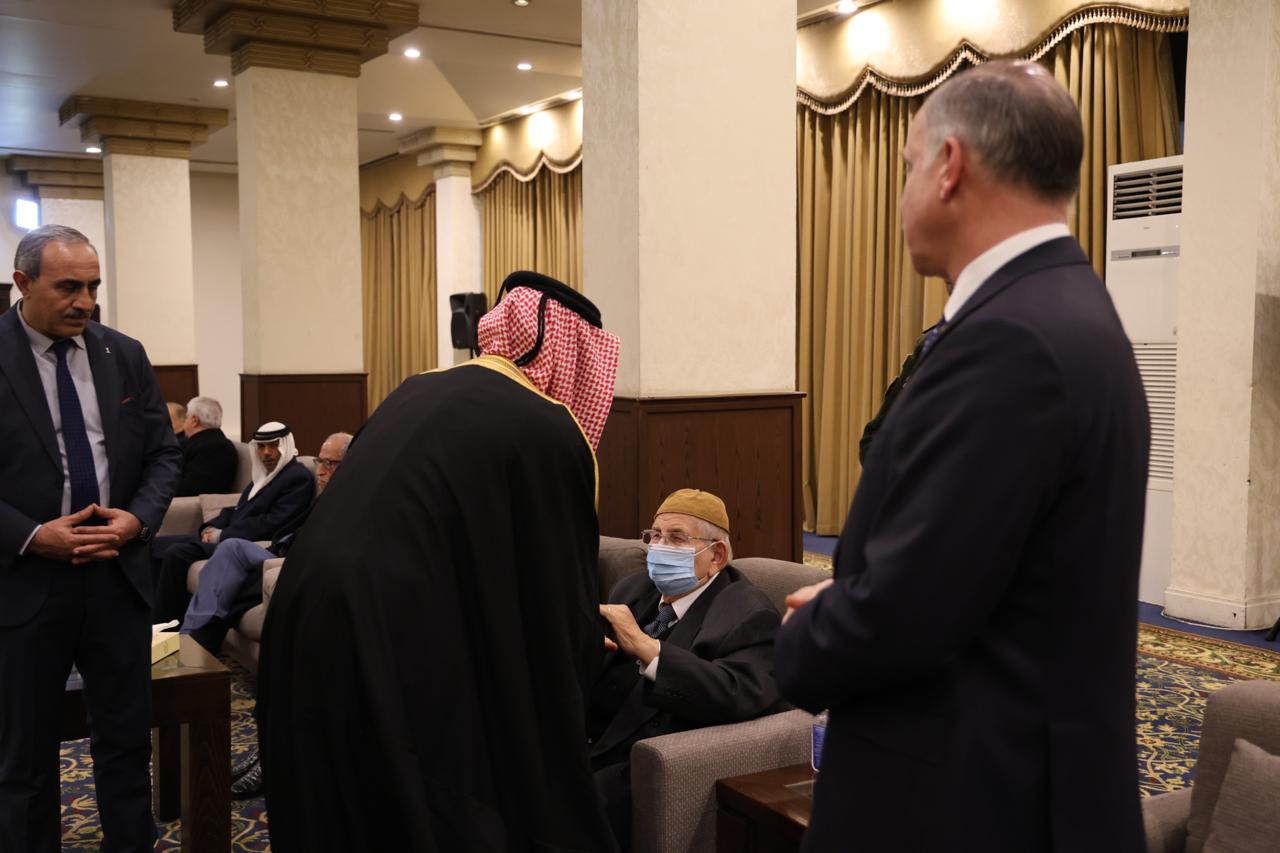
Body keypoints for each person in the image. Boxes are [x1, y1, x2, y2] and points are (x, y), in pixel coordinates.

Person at [774, 61, 1151, 853]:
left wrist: (803, 635)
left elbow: (908, 612)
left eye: (907, 165)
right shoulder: (1071, 308)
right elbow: (987, 568)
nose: (901, 193)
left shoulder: (1009, 339)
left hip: (966, 804)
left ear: (949, 166)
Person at [258, 271, 621, 853]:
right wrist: (584, 645)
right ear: (574, 354)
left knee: (331, 805)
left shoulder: (417, 388)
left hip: (301, 612)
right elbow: (553, 589)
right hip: (388, 636)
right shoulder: (549, 429)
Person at [0, 224, 182, 852]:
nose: (85, 301)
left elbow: (163, 455)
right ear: (22, 283)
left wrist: (138, 520)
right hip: (26, 586)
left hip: (116, 579)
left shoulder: (122, 353)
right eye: (68, 287)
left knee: (127, 744)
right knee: (23, 758)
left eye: (94, 287)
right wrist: (31, 536)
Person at [592, 489, 780, 848]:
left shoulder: (748, 613)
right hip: (593, 740)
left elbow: (736, 692)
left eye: (676, 538)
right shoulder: (634, 588)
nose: (659, 547)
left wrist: (648, 648)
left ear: (716, 555)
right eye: (655, 535)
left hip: (642, 762)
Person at [181, 431, 352, 652]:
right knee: (223, 549)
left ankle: (193, 641)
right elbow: (241, 510)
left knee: (223, 552)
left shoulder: (341, 497)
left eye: (330, 463)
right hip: (276, 548)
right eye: (320, 461)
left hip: (287, 560)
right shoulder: (323, 493)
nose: (320, 470)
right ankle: (186, 637)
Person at [150, 422, 313, 623]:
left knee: (177, 553)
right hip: (227, 536)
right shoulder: (264, 476)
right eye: (261, 447)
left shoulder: (297, 477)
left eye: (273, 446)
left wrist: (222, 535)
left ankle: (165, 624)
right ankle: (148, 615)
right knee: (155, 545)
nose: (266, 453)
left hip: (246, 544)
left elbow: (272, 523)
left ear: (285, 445)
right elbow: (237, 510)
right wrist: (211, 526)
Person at [174, 395, 239, 496]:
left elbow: (191, 489)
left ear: (194, 421)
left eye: (186, 418)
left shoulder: (215, 448)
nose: (184, 423)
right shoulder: (204, 442)